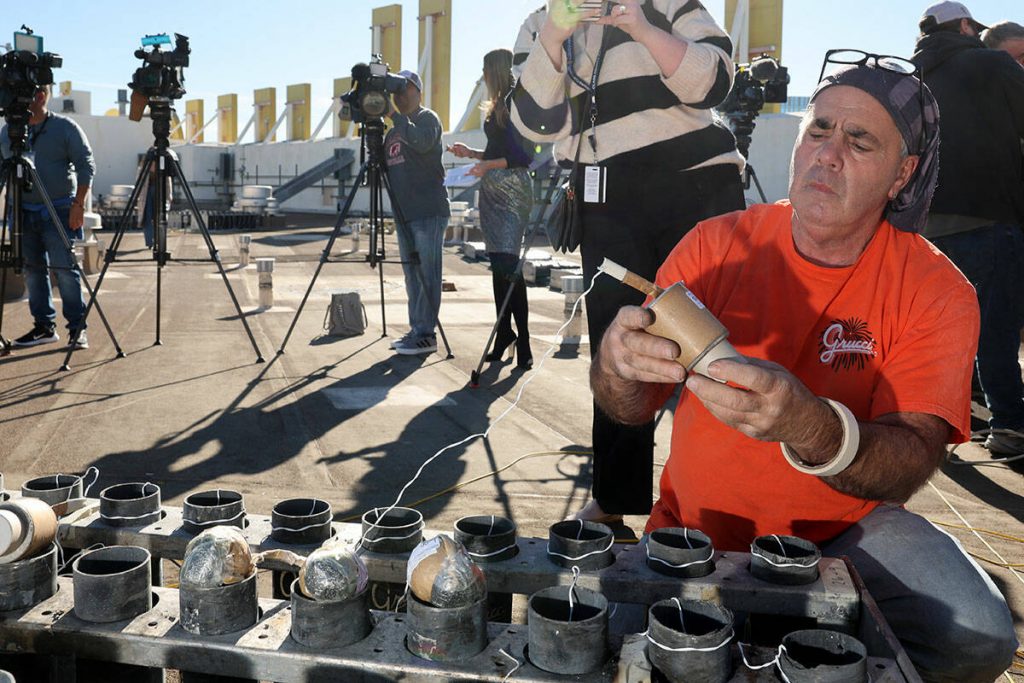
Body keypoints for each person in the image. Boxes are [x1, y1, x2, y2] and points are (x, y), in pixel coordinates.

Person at [590, 51, 1017, 681]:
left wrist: (813, 427)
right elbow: (627, 409)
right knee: (613, 651)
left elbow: (911, 460)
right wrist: (617, 365)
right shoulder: (714, 246)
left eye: (860, 141)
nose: (828, 153)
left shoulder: (936, 289)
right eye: (819, 129)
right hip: (698, 531)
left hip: (848, 535)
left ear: (902, 175)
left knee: (979, 638)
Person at [511, 0, 746, 523]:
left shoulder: (664, 3)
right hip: (607, 202)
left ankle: (728, 495)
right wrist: (554, 34)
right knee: (618, 350)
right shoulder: (539, 24)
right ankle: (617, 500)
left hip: (697, 186)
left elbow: (715, 82)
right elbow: (534, 124)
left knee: (723, 342)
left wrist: (640, 25)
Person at [912, 1, 1024, 459]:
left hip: (922, 229)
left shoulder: (908, 75)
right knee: (995, 328)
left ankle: (934, 431)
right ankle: (1010, 428)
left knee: (939, 333)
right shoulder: (991, 63)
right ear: (963, 26)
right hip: (989, 214)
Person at [449, 48, 535, 370]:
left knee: (510, 268)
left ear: (494, 71)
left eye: (485, 71)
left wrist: (488, 166)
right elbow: (496, 149)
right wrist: (471, 153)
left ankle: (523, 338)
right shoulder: (497, 105)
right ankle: (504, 334)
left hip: (513, 190)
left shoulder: (517, 102)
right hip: (492, 190)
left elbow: (526, 156)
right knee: (498, 266)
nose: (483, 77)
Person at [0, 84, 95, 350]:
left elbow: (87, 165)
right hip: (22, 213)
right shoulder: (8, 132)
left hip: (59, 210)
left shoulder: (65, 128)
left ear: (40, 96)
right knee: (33, 272)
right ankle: (44, 327)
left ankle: (77, 328)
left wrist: (79, 205)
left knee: (65, 271)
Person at [384, 69, 450, 356]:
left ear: (418, 92)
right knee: (412, 275)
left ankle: (426, 335)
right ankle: (416, 330)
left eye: (405, 88)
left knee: (427, 273)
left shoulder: (427, 119)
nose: (399, 94)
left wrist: (396, 118)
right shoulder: (391, 132)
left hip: (428, 211)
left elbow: (423, 143)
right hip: (405, 214)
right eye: (396, 89)